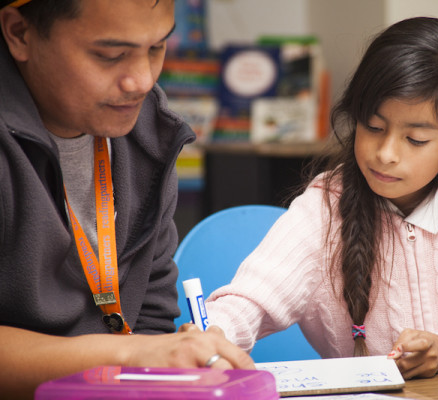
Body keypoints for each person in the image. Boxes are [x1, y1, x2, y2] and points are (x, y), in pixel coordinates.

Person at [205, 17, 438, 379]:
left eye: (415, 139)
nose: (386, 153)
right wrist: (212, 335)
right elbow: (250, 301)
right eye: (374, 127)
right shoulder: (324, 208)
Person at [0, 0, 253, 398]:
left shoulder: (148, 132)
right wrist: (131, 354)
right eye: (111, 55)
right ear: (19, 33)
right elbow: (140, 346)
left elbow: (150, 311)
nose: (142, 81)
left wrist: (161, 355)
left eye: (156, 48)